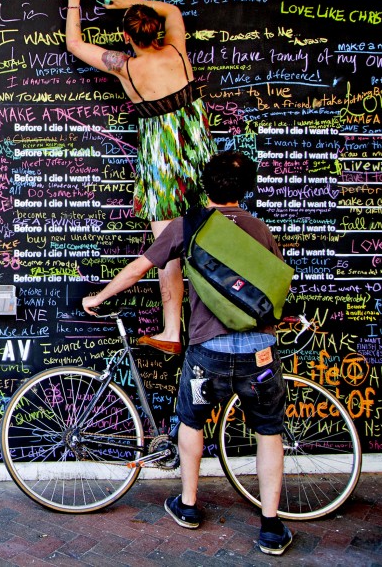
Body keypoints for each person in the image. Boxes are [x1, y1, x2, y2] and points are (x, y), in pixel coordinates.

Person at [81, 151, 293, 556]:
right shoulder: (262, 230)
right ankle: (270, 526)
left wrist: (100, 295)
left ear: (204, 185)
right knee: (269, 432)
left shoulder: (186, 226)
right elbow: (275, 292)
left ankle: (190, 505)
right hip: (260, 355)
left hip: (207, 352)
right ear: (247, 188)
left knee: (192, 423)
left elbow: (138, 268)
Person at [65, 0, 216, 354]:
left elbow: (74, 45)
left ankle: (171, 331)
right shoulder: (178, 51)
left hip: (161, 162)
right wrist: (130, 2)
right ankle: (223, 323)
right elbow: (174, 12)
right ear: (156, 31)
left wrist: (73, 0)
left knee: (167, 250)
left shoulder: (126, 68)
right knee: (215, 239)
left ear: (126, 37)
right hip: (198, 155)